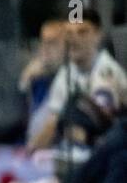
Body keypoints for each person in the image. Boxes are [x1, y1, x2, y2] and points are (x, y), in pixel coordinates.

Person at [28, 10, 127, 152]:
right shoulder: (67, 72)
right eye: (69, 33)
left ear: (98, 35)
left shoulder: (108, 72)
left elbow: (94, 130)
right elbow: (53, 123)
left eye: (82, 32)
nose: (74, 39)